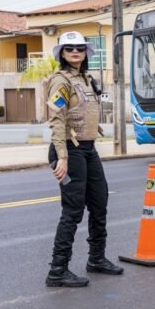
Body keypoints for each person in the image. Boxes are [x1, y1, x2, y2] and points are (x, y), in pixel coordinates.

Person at [45, 31, 123, 287]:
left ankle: (97, 259)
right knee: (72, 211)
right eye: (69, 49)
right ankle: (57, 271)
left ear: (86, 52)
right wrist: (62, 158)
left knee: (99, 204)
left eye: (79, 48)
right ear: (62, 54)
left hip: (88, 149)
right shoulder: (61, 81)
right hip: (69, 149)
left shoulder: (88, 79)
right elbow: (56, 122)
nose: (75, 52)